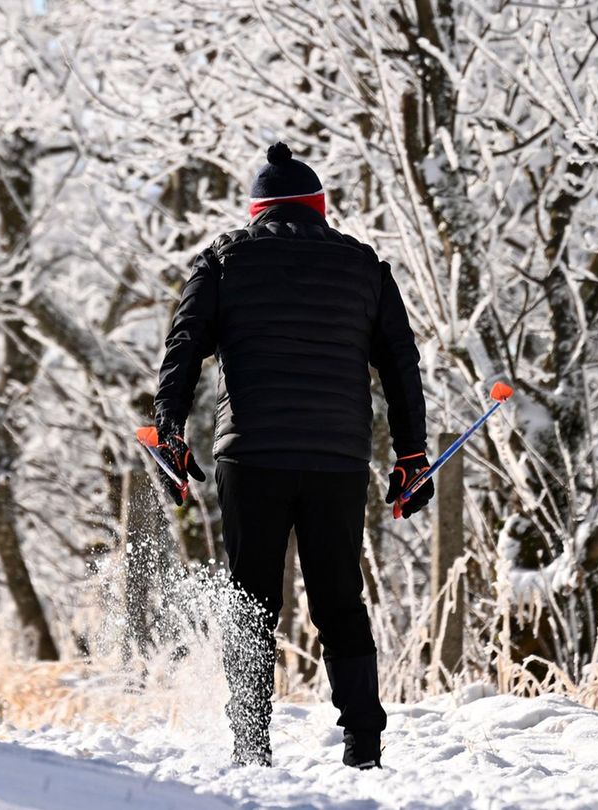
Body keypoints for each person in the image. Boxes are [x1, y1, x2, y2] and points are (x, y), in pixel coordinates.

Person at [147, 142, 432, 770]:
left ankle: (251, 745)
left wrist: (168, 430)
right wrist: (412, 455)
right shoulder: (365, 267)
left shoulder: (222, 261)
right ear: (318, 209)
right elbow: (401, 364)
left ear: (258, 210)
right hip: (337, 457)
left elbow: (184, 346)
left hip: (252, 454)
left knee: (250, 597)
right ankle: (364, 743)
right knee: (339, 598)